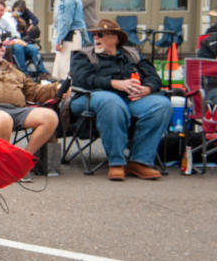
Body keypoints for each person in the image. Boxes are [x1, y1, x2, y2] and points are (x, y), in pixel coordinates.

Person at [69, 19, 171, 181]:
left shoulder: (132, 55)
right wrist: (114, 83)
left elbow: (154, 77)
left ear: (115, 38)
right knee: (111, 102)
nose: (96, 38)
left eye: (101, 35)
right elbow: (82, 79)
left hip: (130, 99)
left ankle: (140, 161)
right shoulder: (83, 55)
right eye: (94, 35)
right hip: (90, 97)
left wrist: (147, 89)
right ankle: (116, 161)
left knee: (161, 105)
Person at [0, 29, 61, 158]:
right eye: (0, 45)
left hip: (17, 110)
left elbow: (33, 91)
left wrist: (57, 89)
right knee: (3, 119)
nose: (4, 49)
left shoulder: (10, 68)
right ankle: (1, 164)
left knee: (50, 117)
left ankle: (23, 160)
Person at [0, 0, 47, 78]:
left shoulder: (3, 21)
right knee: (18, 48)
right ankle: (24, 73)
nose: (3, 13)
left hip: (13, 40)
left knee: (32, 48)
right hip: (3, 44)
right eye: (1, 10)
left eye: (3, 10)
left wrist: (16, 39)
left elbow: (14, 33)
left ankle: (42, 72)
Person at [52, 0, 90, 80]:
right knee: (68, 66)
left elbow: (66, 21)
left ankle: (66, 94)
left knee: (65, 68)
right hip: (72, 35)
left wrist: (59, 40)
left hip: (70, 36)